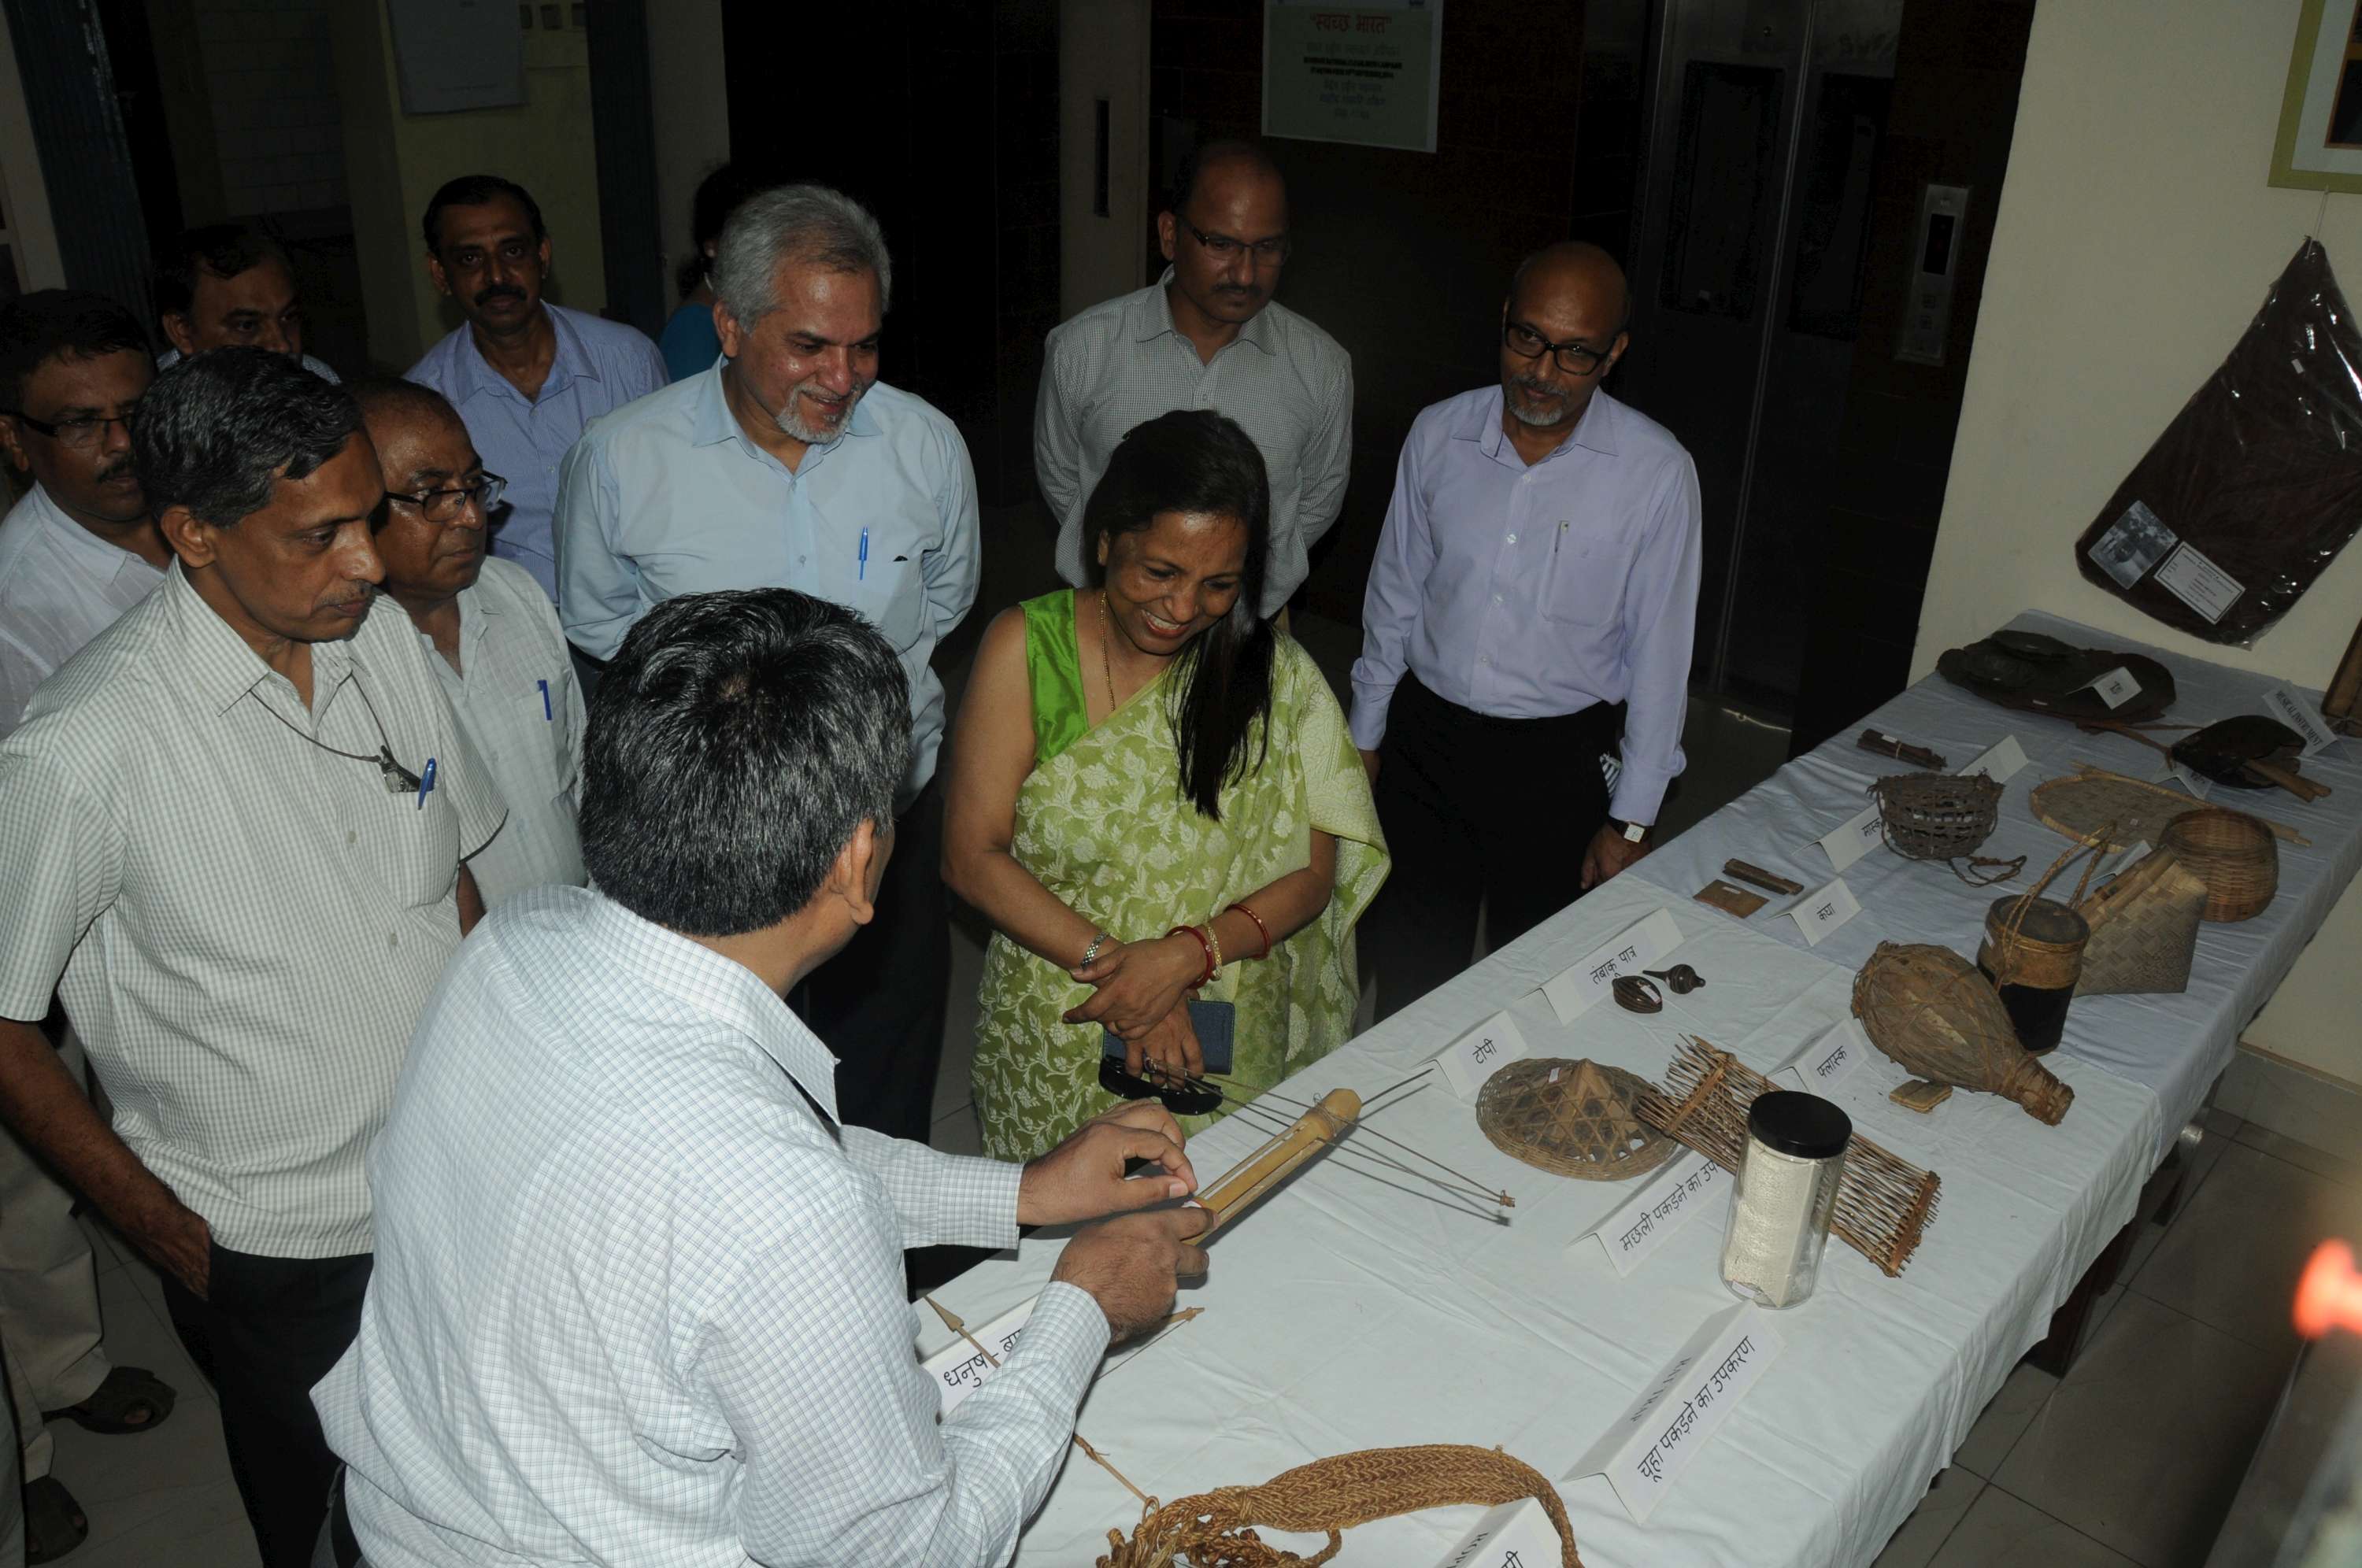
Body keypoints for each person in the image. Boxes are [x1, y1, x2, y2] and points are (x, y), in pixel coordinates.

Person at [315, 587, 1211, 1566]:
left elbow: (757, 1178)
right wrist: (1084, 1306)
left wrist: (1024, 1192)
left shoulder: (515, 947)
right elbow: (910, 1553)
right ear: (858, 861)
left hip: (393, 1522)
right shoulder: (784, 1207)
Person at [0, 348, 504, 1568]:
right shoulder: (81, 751)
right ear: (196, 533)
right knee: (332, 1513)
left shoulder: (378, 642)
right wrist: (161, 1226)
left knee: (471, 1482)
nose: (369, 562)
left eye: (369, 520)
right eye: (321, 535)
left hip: (454, 1177)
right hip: (279, 1244)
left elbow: (454, 874)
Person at [554, 183, 979, 1145]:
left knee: (885, 1068)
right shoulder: (623, 461)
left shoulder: (923, 445)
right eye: (810, 347)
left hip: (886, 822)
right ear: (730, 326)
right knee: (725, 1088)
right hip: (714, 842)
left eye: (864, 345)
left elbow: (942, 602)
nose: (843, 376)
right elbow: (600, 622)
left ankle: (889, 1259)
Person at [946, 409, 1386, 1160]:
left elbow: (1314, 877)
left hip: (1224, 1012)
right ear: (1105, 541)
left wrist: (1185, 957)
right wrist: (1131, 979)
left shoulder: (1275, 676)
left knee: (1219, 1215)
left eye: (1219, 584)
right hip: (1067, 1005)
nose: (1184, 609)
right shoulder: (1027, 648)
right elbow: (972, 856)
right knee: (1059, 1239)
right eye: (1160, 572)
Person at [1351, 242, 1701, 1021]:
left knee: (1541, 994)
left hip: (1558, 763)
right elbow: (1394, 596)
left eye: (1576, 353)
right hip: (1426, 746)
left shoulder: (1656, 473)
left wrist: (1631, 819)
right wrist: (1365, 735)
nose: (1542, 371)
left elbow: (1660, 657)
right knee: (1406, 974)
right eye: (1527, 339)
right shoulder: (1438, 436)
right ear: (1503, 324)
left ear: (1615, 354)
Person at [0, 291, 181, 1565]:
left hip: (178, 908)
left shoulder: (200, 513)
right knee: (27, 1193)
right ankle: (30, 1437)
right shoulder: (18, 598)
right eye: (81, 427)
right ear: (19, 442)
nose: (119, 445)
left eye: (135, 412)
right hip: (48, 926)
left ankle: (67, 1369)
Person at [1037, 139, 1351, 619]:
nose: (1245, 274)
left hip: (1248, 628)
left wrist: (1233, 574)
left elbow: (1319, 497)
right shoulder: (1082, 349)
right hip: (1111, 617)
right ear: (1169, 234)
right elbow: (1062, 477)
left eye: (1267, 248)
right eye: (1221, 244)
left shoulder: (1321, 367)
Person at [354, 377, 586, 904]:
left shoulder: (516, 594)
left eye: (474, 485)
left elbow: (580, 767)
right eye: (432, 494)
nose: (472, 516)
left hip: (578, 924)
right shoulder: (343, 661)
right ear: (358, 503)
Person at [406, 174, 667, 601]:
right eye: (470, 259)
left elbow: (670, 501)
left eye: (513, 251)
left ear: (542, 255)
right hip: (509, 637)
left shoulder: (628, 361)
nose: (496, 276)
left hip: (634, 622)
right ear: (440, 274)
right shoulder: (427, 403)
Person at [153, 223, 340, 382]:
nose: (282, 346)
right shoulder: (146, 407)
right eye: (247, 325)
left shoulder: (318, 378)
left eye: (289, 317)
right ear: (182, 331)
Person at [658, 161, 765, 383]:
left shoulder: (749, 306)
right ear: (711, 246)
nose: (761, 247)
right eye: (745, 236)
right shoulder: (693, 327)